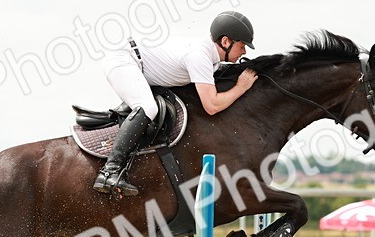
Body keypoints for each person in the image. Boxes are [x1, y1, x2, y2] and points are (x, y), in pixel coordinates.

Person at [93, 11, 259, 196]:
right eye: (242, 45)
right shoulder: (199, 56)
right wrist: (241, 87)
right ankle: (109, 171)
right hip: (123, 59)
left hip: (136, 62)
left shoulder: (209, 58)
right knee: (148, 107)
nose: (244, 52)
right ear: (226, 42)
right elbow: (211, 106)